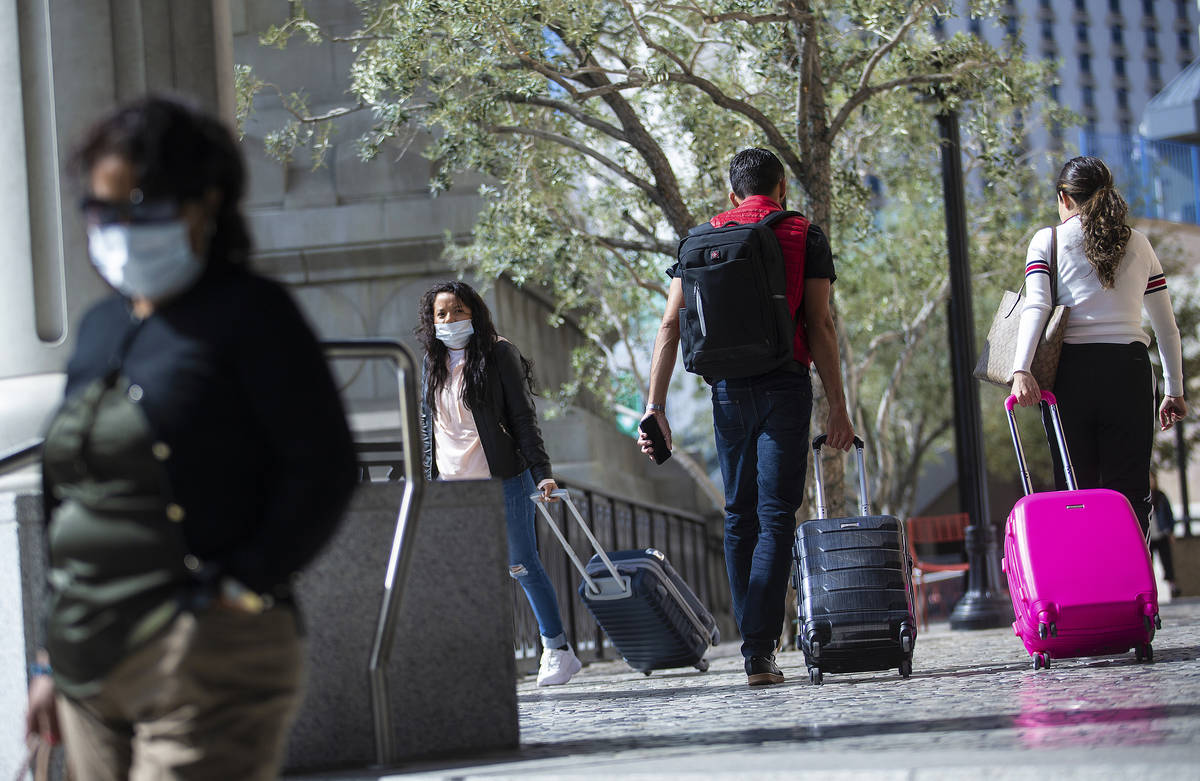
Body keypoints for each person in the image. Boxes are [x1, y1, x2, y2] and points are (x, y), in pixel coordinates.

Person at [23, 96, 358, 779]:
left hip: (205, 654)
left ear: (204, 203)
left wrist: (240, 586)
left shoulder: (252, 315)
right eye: (100, 209)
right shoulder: (97, 329)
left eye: (139, 206)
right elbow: (69, 500)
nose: (118, 229)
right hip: (88, 664)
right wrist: (49, 661)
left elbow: (322, 466)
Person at [639, 148, 855, 687]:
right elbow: (821, 325)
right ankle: (760, 650)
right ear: (783, 188)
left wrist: (655, 408)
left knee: (739, 516)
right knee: (777, 514)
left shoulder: (697, 240)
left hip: (727, 391)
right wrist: (839, 408)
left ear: (731, 194)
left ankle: (754, 650)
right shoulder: (803, 233)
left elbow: (670, 326)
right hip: (785, 384)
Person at [416, 280, 582, 686]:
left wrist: (542, 473)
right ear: (431, 321)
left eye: (458, 310)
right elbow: (428, 427)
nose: (450, 319)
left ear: (474, 311)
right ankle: (481, 658)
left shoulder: (498, 353)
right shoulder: (431, 362)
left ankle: (557, 649)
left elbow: (524, 419)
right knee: (464, 571)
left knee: (521, 564)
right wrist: (425, 480)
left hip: (503, 477)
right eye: (442, 314)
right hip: (453, 486)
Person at [1011, 156, 1187, 536]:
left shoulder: (1049, 239)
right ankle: (1137, 588)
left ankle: (1090, 585)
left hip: (1071, 376)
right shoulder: (1139, 243)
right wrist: (1173, 391)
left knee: (1076, 490)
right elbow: (1166, 327)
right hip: (1129, 371)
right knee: (1132, 491)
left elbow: (1037, 306)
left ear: (1065, 198)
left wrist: (1021, 369)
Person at [1149, 471, 1182, 598]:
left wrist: (1171, 531)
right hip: (1149, 536)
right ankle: (1150, 589)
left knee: (1167, 561)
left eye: (1152, 478)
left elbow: (1169, 514)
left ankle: (1172, 585)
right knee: (1149, 564)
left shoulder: (1161, 496)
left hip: (1162, 534)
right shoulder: (1142, 496)